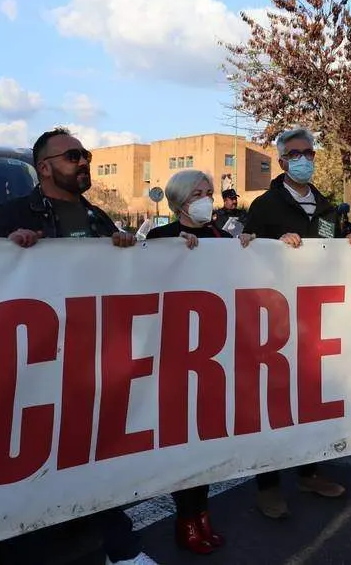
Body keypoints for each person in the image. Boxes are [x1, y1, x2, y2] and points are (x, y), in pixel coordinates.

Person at [0, 128, 154, 565]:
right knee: (33, 458)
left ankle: (120, 545)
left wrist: (124, 250)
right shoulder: (9, 218)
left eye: (86, 154)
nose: (83, 162)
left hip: (89, 361)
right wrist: (7, 253)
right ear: (44, 167)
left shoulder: (97, 219)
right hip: (31, 366)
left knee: (97, 450)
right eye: (72, 155)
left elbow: (120, 284)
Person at [240, 127, 351, 518]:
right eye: (295, 154)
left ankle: (309, 471)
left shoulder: (327, 207)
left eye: (309, 152)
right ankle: (268, 484)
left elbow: (339, 246)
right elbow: (244, 253)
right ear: (281, 161)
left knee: (311, 399)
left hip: (318, 321)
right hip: (275, 320)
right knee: (273, 402)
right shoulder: (265, 206)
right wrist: (274, 245)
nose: (304, 159)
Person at [145, 170, 229, 555]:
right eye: (198, 193)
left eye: (209, 193)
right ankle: (187, 517)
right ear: (179, 202)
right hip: (176, 355)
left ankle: (203, 512)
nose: (207, 199)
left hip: (216, 354)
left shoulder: (223, 239)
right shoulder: (160, 240)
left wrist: (248, 246)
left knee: (207, 439)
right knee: (181, 440)